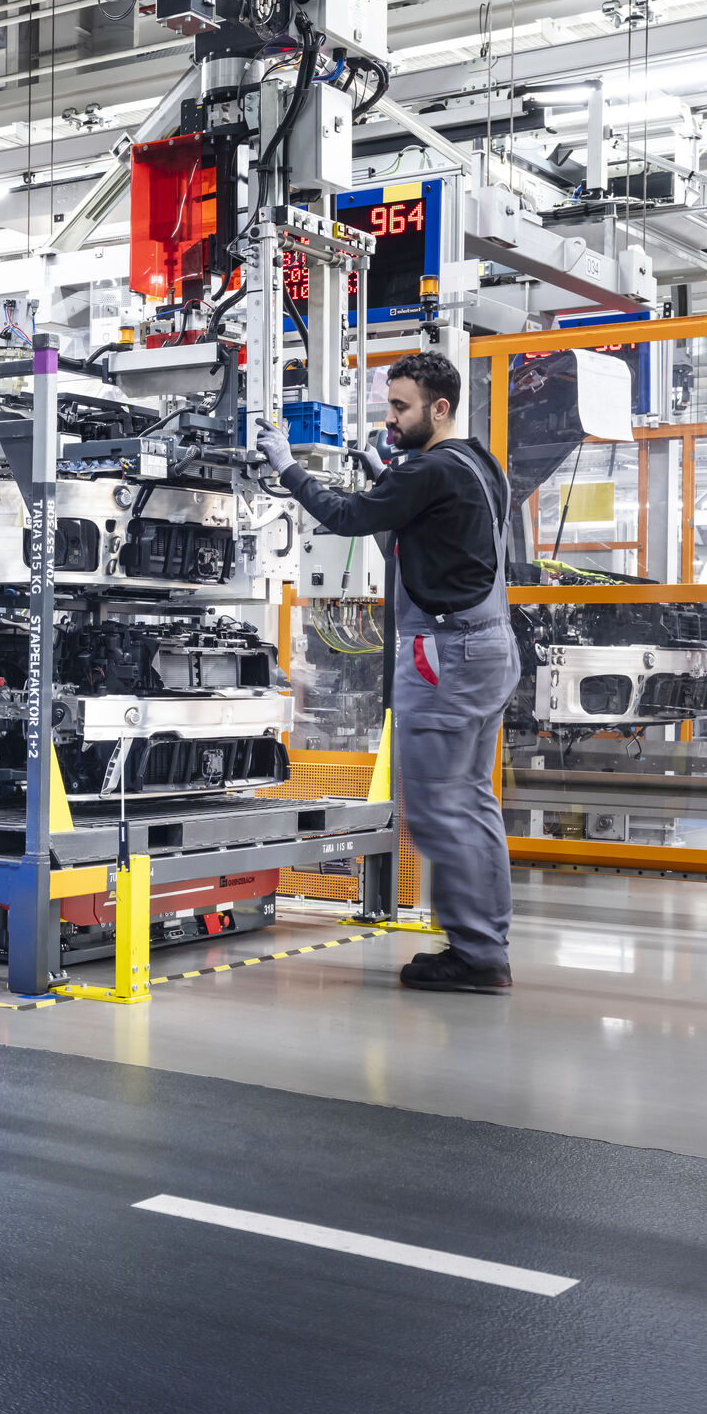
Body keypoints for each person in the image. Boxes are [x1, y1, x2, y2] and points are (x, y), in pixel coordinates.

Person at [252, 352, 520, 993]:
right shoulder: (480, 464)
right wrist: (384, 477)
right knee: (473, 803)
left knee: (433, 810)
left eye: (402, 407)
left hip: (445, 656)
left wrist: (287, 466)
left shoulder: (429, 470)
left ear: (441, 408)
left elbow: (346, 518)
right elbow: (416, 537)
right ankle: (487, 941)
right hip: (488, 650)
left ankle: (477, 957)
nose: (392, 420)